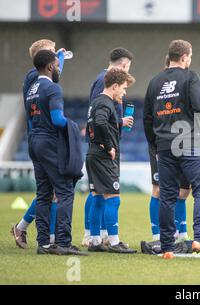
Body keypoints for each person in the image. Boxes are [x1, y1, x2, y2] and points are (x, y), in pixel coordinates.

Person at [143, 39, 200, 259]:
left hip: (165, 147)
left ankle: (167, 247)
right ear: (185, 56)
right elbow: (199, 105)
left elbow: (147, 117)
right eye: (191, 56)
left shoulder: (155, 81)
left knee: (167, 195)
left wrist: (154, 145)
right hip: (189, 142)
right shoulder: (190, 76)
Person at [26, 50, 86, 255]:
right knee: (65, 191)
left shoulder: (32, 87)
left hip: (33, 141)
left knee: (43, 193)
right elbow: (58, 120)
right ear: (50, 67)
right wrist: (74, 126)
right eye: (57, 65)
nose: (59, 68)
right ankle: (63, 242)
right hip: (49, 142)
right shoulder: (52, 88)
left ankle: (43, 244)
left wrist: (59, 55)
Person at [11, 39, 61, 249]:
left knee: (49, 192)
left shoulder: (33, 78)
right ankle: (47, 239)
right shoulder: (37, 77)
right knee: (53, 192)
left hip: (37, 136)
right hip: (43, 137)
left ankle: (31, 231)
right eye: (52, 52)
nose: (56, 55)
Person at [82, 48, 134, 247]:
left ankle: (97, 237)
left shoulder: (103, 87)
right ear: (123, 66)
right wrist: (109, 144)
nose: (124, 92)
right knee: (110, 194)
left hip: (99, 147)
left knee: (97, 193)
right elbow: (99, 119)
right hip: (104, 148)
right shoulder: (103, 86)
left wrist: (118, 122)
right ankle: (106, 238)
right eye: (123, 88)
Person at [147, 55, 191, 243]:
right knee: (159, 190)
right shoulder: (157, 85)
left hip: (183, 143)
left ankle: (181, 232)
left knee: (183, 191)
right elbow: (148, 115)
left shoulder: (186, 82)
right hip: (162, 143)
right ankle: (158, 234)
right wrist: (154, 144)